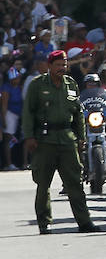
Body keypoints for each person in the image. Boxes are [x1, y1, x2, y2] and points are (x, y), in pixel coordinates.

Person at [22, 50, 100, 234]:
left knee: (75, 183)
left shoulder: (71, 85)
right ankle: (44, 222)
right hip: (45, 140)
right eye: (58, 65)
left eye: (64, 65)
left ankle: (84, 222)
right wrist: (29, 136)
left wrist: (81, 137)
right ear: (49, 66)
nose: (61, 68)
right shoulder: (37, 85)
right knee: (43, 184)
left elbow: (78, 113)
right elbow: (28, 112)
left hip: (67, 140)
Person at [2, 67, 25, 170]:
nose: (17, 79)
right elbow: (4, 105)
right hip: (9, 115)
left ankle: (17, 161)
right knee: (8, 139)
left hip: (18, 116)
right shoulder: (6, 88)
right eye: (15, 78)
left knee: (17, 139)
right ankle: (9, 163)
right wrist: (4, 120)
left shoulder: (19, 87)